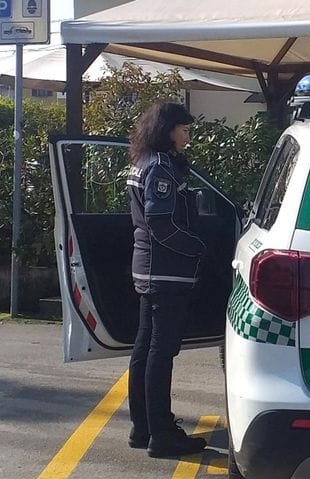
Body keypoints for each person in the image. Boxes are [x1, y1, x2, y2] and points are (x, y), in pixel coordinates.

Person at [126, 102, 207, 458]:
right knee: (160, 351)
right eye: (183, 129)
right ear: (167, 130)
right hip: (166, 271)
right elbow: (160, 223)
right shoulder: (160, 166)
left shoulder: (143, 161)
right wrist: (197, 248)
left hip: (148, 268)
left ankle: (142, 427)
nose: (187, 135)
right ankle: (162, 432)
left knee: (145, 348)